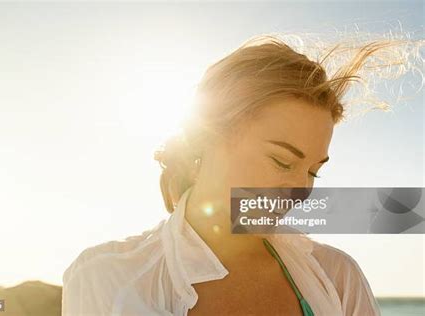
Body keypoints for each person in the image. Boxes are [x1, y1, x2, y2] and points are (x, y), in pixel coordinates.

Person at [62, 35, 419, 315]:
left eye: (313, 171)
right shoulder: (105, 277)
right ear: (206, 141)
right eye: (281, 161)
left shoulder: (338, 277)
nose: (299, 190)